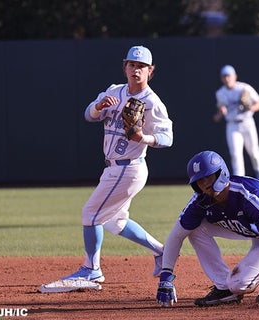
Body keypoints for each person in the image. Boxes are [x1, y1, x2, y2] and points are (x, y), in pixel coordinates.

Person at [57, 45, 174, 287]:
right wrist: (98, 106)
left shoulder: (152, 102)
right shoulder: (114, 91)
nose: (136, 70)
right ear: (125, 67)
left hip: (128, 168)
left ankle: (91, 270)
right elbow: (89, 115)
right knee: (115, 222)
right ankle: (161, 252)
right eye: (132, 65)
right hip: (113, 168)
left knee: (90, 215)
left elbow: (167, 138)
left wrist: (143, 138)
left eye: (142, 66)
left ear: (150, 71)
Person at [155, 150, 259, 309]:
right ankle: (224, 288)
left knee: (239, 284)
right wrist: (165, 277)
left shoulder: (250, 195)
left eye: (208, 177)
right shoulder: (200, 201)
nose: (204, 184)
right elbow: (176, 235)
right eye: (199, 181)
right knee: (194, 229)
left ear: (221, 173)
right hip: (247, 226)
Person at [213, 65, 259, 182]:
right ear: (222, 79)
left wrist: (250, 107)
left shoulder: (244, 88)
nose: (227, 79)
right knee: (236, 154)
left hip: (247, 122)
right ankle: (240, 180)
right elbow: (218, 115)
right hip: (232, 125)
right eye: (224, 76)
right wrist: (220, 113)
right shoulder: (220, 93)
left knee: (254, 152)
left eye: (229, 76)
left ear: (235, 76)